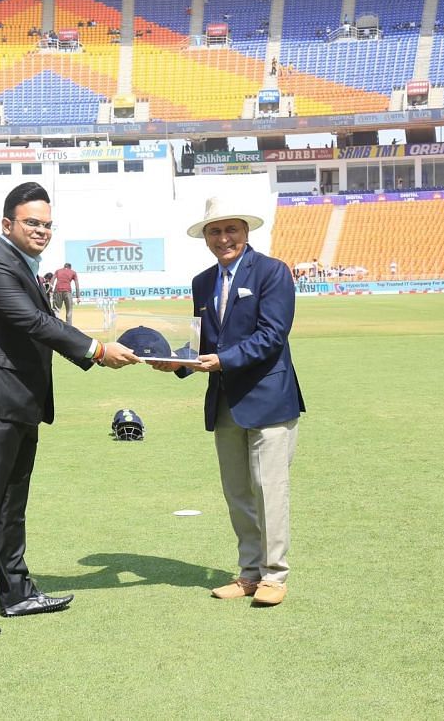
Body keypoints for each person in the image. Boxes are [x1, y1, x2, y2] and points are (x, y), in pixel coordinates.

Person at [0, 182, 139, 638]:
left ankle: (17, 592)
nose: (42, 230)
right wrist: (96, 350)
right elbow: (34, 322)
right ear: (7, 224)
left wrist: (94, 352)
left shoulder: (21, 265)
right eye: (32, 222)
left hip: (19, 399)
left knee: (10, 503)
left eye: (47, 224)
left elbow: (37, 327)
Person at [151, 196, 305, 607]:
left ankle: (275, 575)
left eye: (231, 229)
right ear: (205, 238)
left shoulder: (273, 272)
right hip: (224, 403)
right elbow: (203, 340)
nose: (224, 238)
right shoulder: (203, 282)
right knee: (238, 492)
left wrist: (222, 360)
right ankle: (250, 573)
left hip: (269, 400)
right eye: (215, 231)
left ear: (246, 232)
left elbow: (273, 335)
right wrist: (176, 362)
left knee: (269, 490)